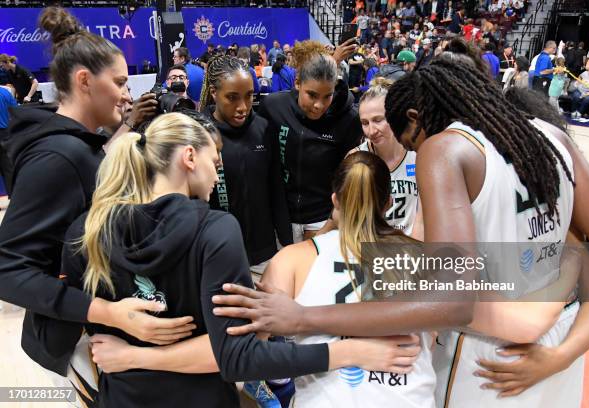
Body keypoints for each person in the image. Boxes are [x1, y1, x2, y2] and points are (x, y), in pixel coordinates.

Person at [213, 58, 589, 407]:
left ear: (417, 120)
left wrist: (304, 319)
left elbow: (452, 302)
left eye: (409, 140)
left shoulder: (445, 149)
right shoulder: (551, 135)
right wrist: (556, 275)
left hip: (489, 361)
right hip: (558, 351)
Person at [48, 112, 417, 407]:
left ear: (333, 200)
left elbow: (65, 333)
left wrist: (127, 346)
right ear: (189, 157)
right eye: (215, 157)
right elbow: (237, 355)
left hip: (123, 396)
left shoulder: (87, 228)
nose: (219, 167)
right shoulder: (217, 230)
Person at [0, 7, 193, 406]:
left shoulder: (81, 147)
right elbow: (8, 270)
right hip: (76, 337)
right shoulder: (59, 157)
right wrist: (107, 312)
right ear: (84, 81)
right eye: (120, 82)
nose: (127, 93)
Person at [261, 151, 435, 407]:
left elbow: (248, 354)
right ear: (388, 203)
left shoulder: (291, 260)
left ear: (335, 200)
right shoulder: (425, 257)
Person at [257, 40, 362, 242]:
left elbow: (348, 174)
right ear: (297, 83)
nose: (318, 105)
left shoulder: (348, 119)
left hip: (324, 218)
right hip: (281, 217)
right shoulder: (273, 107)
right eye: (311, 95)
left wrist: (334, 217)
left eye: (327, 96)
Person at [199, 54, 292, 278]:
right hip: (218, 255)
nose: (243, 107)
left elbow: (277, 191)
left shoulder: (263, 128)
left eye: (249, 96)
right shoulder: (198, 133)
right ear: (214, 93)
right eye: (232, 97)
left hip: (265, 254)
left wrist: (287, 246)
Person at [350, 78, 420, 236]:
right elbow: (350, 219)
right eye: (365, 123)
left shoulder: (418, 155)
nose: (371, 131)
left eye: (378, 120)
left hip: (409, 248)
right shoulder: (356, 158)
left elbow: (422, 218)